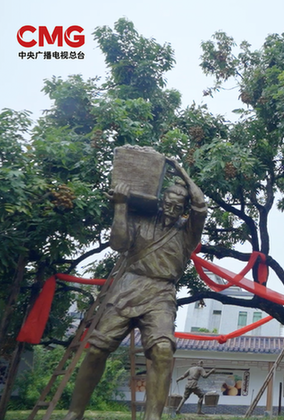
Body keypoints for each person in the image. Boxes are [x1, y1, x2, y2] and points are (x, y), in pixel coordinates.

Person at [63, 158, 206, 420]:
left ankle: (153, 417)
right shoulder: (140, 219)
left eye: (179, 204)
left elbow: (201, 203)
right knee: (96, 349)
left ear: (184, 210)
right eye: (169, 201)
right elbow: (118, 244)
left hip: (161, 293)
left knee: (163, 351)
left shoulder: (188, 233)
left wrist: (182, 173)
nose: (172, 207)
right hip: (128, 285)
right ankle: (74, 412)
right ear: (161, 201)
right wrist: (120, 206)